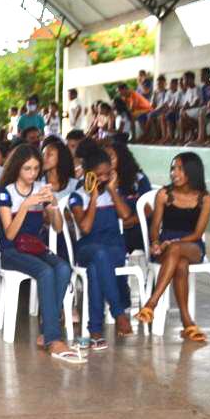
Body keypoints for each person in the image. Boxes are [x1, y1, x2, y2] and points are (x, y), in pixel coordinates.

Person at [0, 145, 83, 363]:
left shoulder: (40, 188)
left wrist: (53, 204)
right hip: (11, 250)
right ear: (17, 168)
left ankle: (47, 329)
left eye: (36, 168)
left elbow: (58, 228)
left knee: (63, 267)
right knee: (45, 271)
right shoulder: (6, 192)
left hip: (34, 247)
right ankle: (53, 339)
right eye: (27, 169)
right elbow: (9, 234)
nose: (32, 173)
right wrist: (25, 206)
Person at [136, 153, 210, 342]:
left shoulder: (205, 198)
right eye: (173, 168)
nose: (174, 173)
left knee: (177, 249)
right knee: (180, 264)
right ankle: (187, 323)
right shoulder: (164, 194)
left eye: (179, 169)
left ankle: (151, 304)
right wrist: (155, 243)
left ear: (192, 172)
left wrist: (174, 243)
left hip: (192, 244)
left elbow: (198, 233)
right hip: (165, 245)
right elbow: (155, 227)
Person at [67, 146, 135, 348]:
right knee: (99, 254)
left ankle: (95, 330)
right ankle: (118, 313)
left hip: (114, 248)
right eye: (99, 175)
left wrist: (112, 191)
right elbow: (85, 228)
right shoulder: (77, 197)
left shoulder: (114, 193)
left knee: (96, 267)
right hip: (87, 248)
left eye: (107, 174)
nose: (104, 178)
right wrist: (94, 198)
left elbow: (126, 216)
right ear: (89, 175)